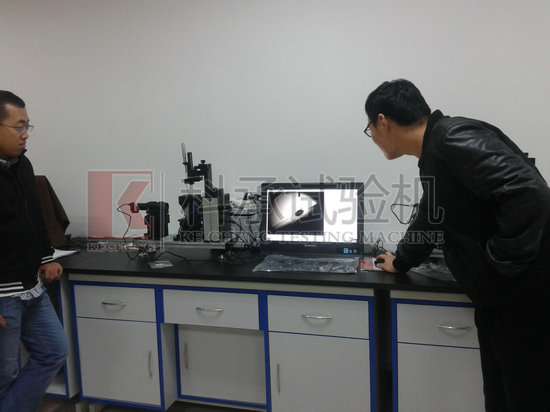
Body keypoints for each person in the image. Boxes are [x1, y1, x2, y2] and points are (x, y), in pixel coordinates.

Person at [365, 79, 550, 412]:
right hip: (500, 294)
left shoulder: (453, 138)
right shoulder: (436, 151)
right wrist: (401, 260)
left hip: (524, 294)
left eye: (370, 130)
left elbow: (530, 194)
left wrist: (497, 262)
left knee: (525, 397)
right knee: (500, 395)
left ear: (383, 121)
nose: (373, 138)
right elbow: (432, 215)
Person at [0, 91, 68, 412]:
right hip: (3, 295)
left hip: (30, 287)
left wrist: (45, 257)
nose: (25, 133)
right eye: (19, 126)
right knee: (4, 375)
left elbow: (34, 217)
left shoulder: (22, 164)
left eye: (28, 126)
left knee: (53, 351)